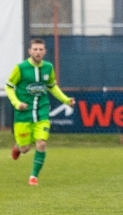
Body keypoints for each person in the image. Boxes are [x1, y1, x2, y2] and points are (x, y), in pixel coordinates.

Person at [5, 38, 75, 186]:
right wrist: (16, 103)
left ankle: (33, 177)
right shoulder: (21, 68)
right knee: (24, 148)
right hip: (23, 114)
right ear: (29, 51)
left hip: (42, 111)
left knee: (41, 144)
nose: (38, 52)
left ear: (44, 52)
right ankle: (18, 147)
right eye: (35, 49)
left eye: (40, 49)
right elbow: (9, 87)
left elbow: (52, 86)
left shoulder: (48, 67)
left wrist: (66, 100)